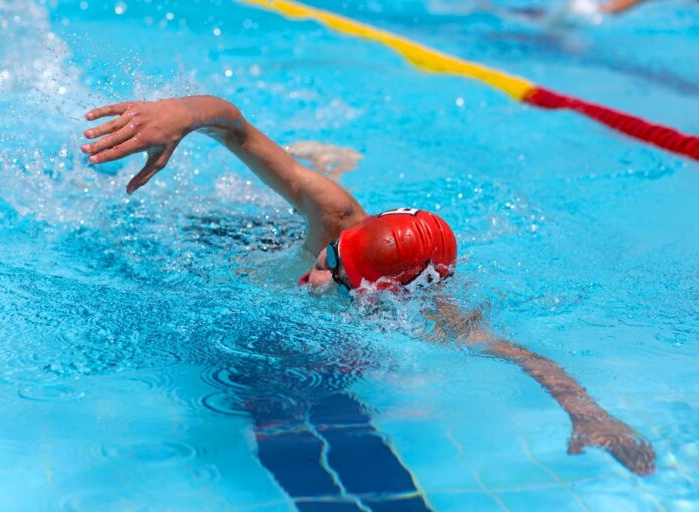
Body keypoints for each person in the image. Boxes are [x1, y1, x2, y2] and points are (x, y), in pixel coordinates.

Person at [81, 95, 655, 478]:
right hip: (249, 236)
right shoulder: (336, 220)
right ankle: (313, 161)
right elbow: (230, 120)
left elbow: (527, 358)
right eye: (331, 259)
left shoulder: (430, 313)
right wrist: (180, 114)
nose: (320, 275)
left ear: (380, 298)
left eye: (340, 280)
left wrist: (591, 415)